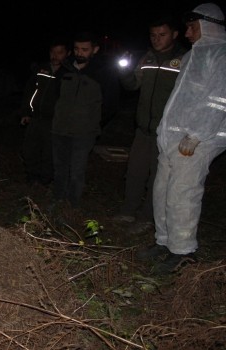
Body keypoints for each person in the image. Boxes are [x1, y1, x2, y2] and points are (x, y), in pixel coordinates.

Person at [138, 3, 226, 273]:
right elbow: (180, 100)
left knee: (182, 194)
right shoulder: (191, 57)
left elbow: (218, 101)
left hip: (199, 139)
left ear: (209, 25)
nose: (187, 33)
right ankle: (165, 242)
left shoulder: (221, 55)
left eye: (192, 27)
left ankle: (184, 251)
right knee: (162, 191)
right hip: (173, 139)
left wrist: (197, 135)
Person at [113, 15, 187, 225]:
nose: (156, 39)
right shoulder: (147, 58)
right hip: (143, 128)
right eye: (153, 35)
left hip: (168, 131)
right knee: (135, 171)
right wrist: (124, 72)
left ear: (174, 34)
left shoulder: (185, 59)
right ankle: (128, 210)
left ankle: (148, 217)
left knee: (158, 177)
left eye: (162, 35)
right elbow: (132, 85)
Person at [51, 31, 120, 208]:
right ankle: (57, 202)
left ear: (95, 49)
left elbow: (111, 103)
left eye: (84, 49)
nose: (79, 53)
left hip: (84, 133)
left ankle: (71, 207)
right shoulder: (65, 69)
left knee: (76, 171)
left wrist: (94, 123)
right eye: (76, 49)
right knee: (60, 170)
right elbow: (54, 96)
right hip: (60, 130)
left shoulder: (103, 73)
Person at [19, 38, 70, 186]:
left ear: (67, 53)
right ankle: (32, 176)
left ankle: (46, 179)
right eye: (52, 52)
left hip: (55, 121)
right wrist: (25, 112)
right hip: (35, 117)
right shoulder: (41, 69)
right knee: (29, 149)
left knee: (50, 152)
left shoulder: (69, 73)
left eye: (59, 53)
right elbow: (29, 92)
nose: (55, 56)